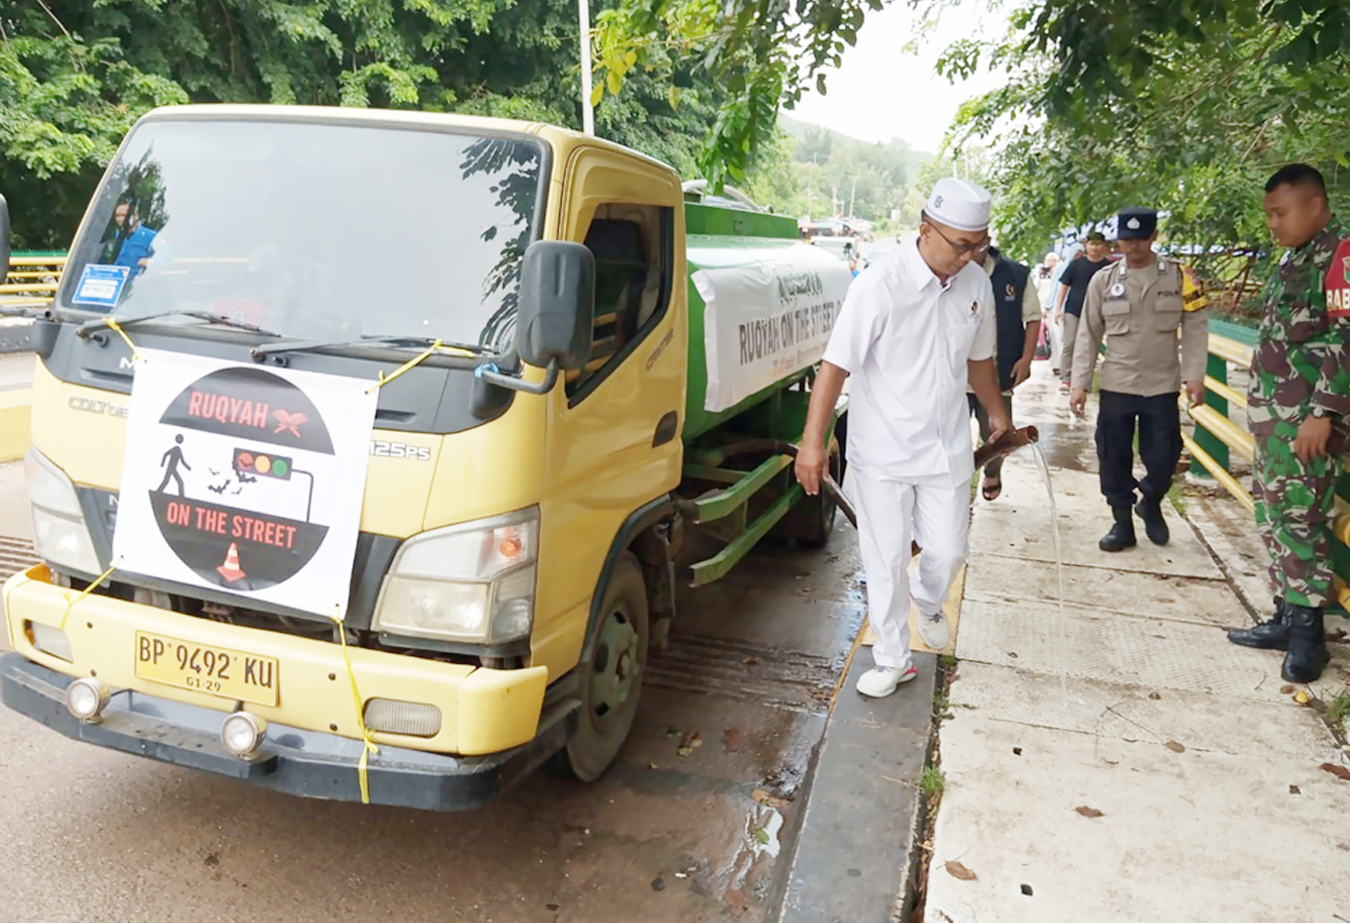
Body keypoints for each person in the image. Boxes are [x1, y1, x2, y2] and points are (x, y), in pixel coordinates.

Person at [794, 178, 1010, 699]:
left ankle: (929, 600)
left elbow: (979, 360)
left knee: (947, 551)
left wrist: (996, 411)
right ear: (926, 230)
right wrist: (812, 442)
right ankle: (894, 658)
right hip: (883, 451)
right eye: (962, 244)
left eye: (979, 244)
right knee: (885, 558)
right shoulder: (879, 284)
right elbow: (835, 366)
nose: (970, 256)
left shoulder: (976, 284)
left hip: (947, 448)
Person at [1227, 164, 1348, 683]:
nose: (1272, 223)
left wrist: (1323, 412)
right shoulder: (1297, 256)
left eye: (1280, 212)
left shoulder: (1340, 256)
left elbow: (1347, 340)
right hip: (1276, 423)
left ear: (1315, 206)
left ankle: (1308, 639)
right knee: (1274, 518)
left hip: (1305, 423)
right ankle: (1285, 615)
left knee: (1301, 521)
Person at [1070, 208, 1208, 552]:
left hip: (1161, 384)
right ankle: (1122, 523)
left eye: (1139, 239)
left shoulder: (1179, 277)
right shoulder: (1103, 280)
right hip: (1118, 382)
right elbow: (1087, 332)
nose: (1132, 246)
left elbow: (1195, 325)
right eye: (1126, 239)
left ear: (1153, 237)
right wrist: (1079, 383)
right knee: (1113, 455)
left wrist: (1195, 375)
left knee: (1165, 454)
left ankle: (1150, 499)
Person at [968, 245, 1041, 500]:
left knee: (998, 436)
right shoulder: (953, 270)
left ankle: (992, 471)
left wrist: (1026, 358)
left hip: (998, 373)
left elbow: (1032, 317)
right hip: (955, 378)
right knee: (948, 436)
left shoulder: (1014, 274)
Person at [1056, 231, 1113, 393]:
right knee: (1069, 344)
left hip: (1097, 312)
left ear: (1104, 246)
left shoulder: (1108, 268)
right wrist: (1058, 309)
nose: (1094, 248)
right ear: (1086, 245)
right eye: (1091, 244)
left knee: (1091, 346)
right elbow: (1064, 286)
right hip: (1073, 309)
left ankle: (1083, 381)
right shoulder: (1076, 264)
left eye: (1098, 244)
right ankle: (1066, 378)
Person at [109, 199, 160, 274]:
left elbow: (167, 256)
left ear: (135, 216)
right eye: (117, 216)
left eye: (123, 215)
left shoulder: (150, 236)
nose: (120, 219)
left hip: (138, 281)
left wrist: (151, 262)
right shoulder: (115, 236)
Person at [1036, 253, 1062, 371]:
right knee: (1052, 336)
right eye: (1049, 260)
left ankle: (1059, 363)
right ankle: (1055, 362)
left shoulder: (1059, 272)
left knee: (1058, 337)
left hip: (1055, 307)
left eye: (1053, 260)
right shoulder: (1041, 273)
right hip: (1044, 306)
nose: (1050, 262)